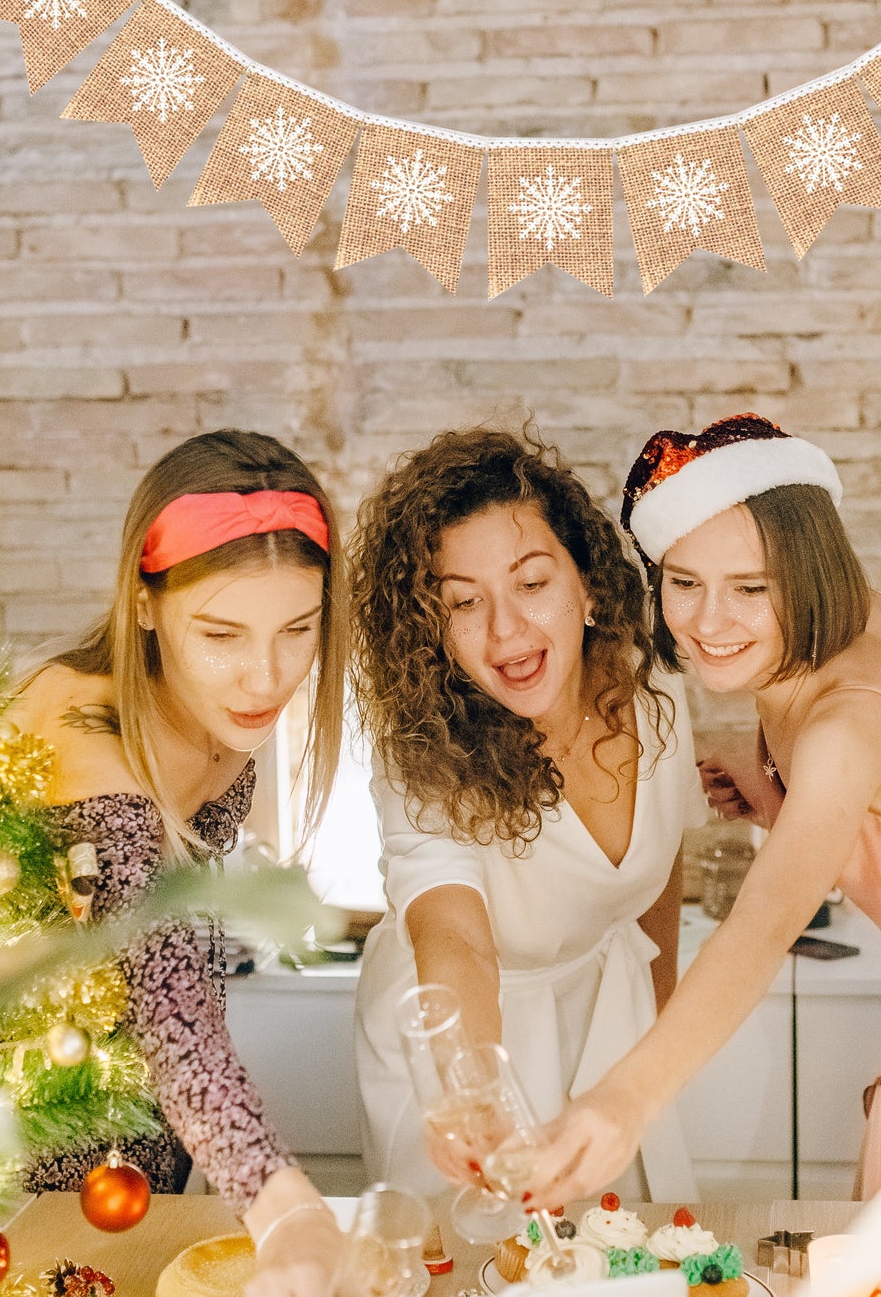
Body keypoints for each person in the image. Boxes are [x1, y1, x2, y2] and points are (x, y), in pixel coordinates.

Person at [526, 413, 881, 1205]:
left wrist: (624, 1100)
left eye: (750, 588)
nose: (709, 622)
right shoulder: (848, 625)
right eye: (683, 582)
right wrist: (786, 807)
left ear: (807, 572)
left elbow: (762, 925)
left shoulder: (843, 728)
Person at [12, 429, 349, 1297]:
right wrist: (289, 1210)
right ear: (145, 604)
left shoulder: (215, 712)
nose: (264, 675)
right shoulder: (92, 751)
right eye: (222, 633)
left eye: (297, 629)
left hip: (140, 1159)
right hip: (11, 1175)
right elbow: (169, 1003)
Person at [350, 428, 707, 1201]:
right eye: (462, 603)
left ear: (586, 587)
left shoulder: (657, 692)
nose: (505, 630)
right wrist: (471, 1094)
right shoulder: (424, 751)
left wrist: (663, 1017)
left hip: (610, 1009)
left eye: (531, 584)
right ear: (431, 633)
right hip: (460, 1033)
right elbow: (455, 940)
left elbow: (663, 860)